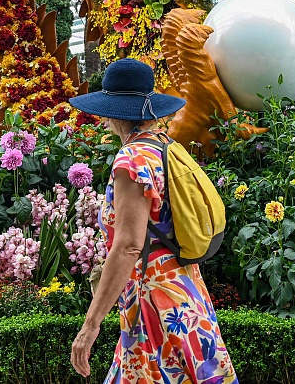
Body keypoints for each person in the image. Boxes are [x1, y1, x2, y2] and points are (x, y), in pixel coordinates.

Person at [67, 58, 238, 384]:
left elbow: (129, 245)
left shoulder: (131, 160)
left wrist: (91, 325)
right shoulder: (165, 147)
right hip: (185, 294)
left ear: (114, 112)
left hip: (153, 305)